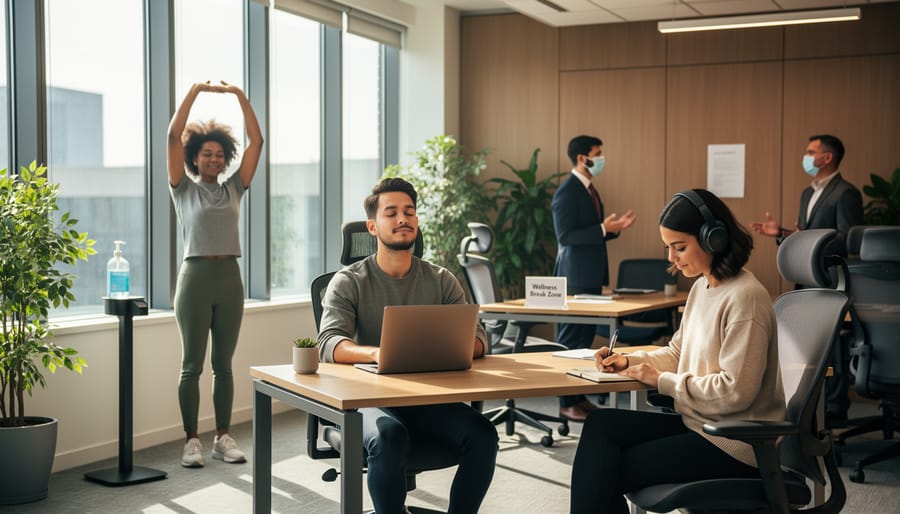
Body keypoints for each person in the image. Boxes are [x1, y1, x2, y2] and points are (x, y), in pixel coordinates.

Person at [570, 189, 786, 514]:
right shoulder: (702, 286)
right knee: (600, 425)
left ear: (714, 239)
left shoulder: (746, 298)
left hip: (735, 442)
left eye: (679, 247)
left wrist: (662, 381)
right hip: (699, 424)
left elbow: (734, 393)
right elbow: (676, 353)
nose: (671, 258)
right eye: (668, 247)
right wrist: (628, 361)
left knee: (604, 469)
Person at [317, 177, 499, 514]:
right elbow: (329, 343)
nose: (403, 219)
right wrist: (378, 353)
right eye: (392, 213)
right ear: (372, 226)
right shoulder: (350, 280)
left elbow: (479, 339)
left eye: (409, 211)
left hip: (427, 399)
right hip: (368, 402)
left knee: (483, 435)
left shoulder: (441, 279)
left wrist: (455, 347)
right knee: (390, 436)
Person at [167, 81, 263, 468]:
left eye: (219, 154)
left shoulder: (234, 189)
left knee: (224, 365)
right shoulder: (182, 189)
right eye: (206, 153)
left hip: (229, 279)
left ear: (226, 160)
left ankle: (222, 437)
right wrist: (195, 91)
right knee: (192, 365)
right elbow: (173, 136)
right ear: (194, 157)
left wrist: (240, 96)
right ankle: (191, 440)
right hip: (195, 278)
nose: (213, 159)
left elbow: (257, 142)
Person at [750, 134, 862, 423]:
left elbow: (849, 239)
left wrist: (810, 240)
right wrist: (783, 234)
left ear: (827, 157)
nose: (807, 156)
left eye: (811, 152)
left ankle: (835, 410)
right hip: (806, 277)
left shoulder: (845, 193)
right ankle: (809, 407)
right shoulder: (806, 193)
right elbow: (808, 235)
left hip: (831, 280)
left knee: (832, 346)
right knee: (807, 347)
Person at [552, 134, 636, 421]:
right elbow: (566, 236)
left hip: (589, 276)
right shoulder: (567, 192)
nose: (601, 159)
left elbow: (589, 232)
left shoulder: (589, 189)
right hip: (575, 277)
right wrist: (602, 228)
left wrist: (613, 228)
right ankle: (566, 402)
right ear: (581, 158)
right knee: (571, 342)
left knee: (583, 341)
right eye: (597, 154)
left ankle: (578, 396)